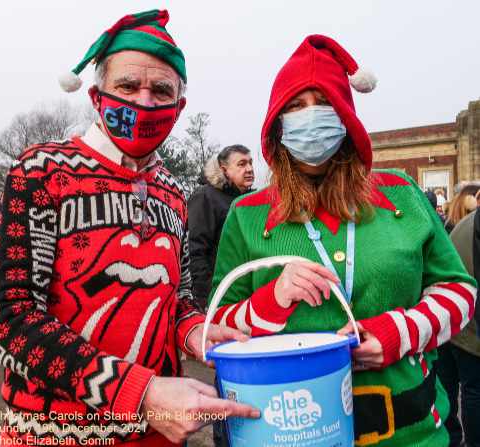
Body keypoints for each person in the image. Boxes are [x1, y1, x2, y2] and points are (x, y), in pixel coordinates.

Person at [0, 10, 258, 447]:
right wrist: (139, 393)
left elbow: (177, 300)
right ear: (97, 96)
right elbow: (6, 320)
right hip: (55, 435)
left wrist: (200, 333)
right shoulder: (40, 171)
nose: (144, 102)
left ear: (179, 106)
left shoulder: (171, 189)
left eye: (161, 90)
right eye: (128, 86)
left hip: (162, 435)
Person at [208, 34, 477, 446]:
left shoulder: (401, 194)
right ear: (278, 124)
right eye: (296, 107)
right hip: (289, 432)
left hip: (413, 433)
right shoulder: (246, 216)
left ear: (345, 116)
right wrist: (272, 300)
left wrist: (397, 332)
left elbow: (460, 292)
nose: (310, 117)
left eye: (324, 103)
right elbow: (217, 329)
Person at [188, 145, 254, 310]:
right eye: (242, 164)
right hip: (216, 297)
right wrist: (206, 298)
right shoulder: (205, 197)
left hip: (246, 295)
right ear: (224, 170)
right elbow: (195, 250)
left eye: (251, 163)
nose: (249, 169)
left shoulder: (250, 201)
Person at [435, 208, 480, 447]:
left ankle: (451, 438)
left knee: (448, 387)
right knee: (472, 391)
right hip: (469, 331)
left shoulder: (462, 225)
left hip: (451, 327)